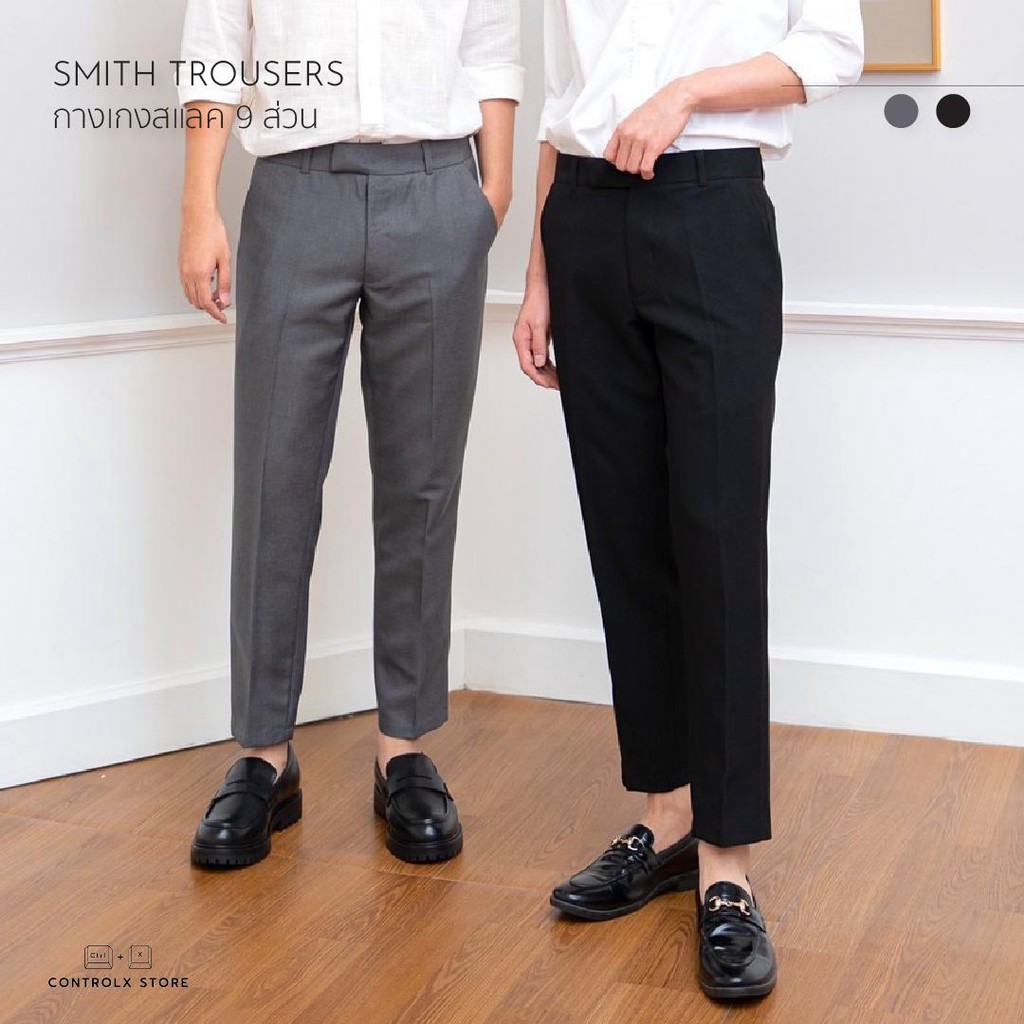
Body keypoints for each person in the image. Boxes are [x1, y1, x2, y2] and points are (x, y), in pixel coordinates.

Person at [513, 0, 863, 1000]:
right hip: (582, 218)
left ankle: (726, 862)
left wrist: (688, 93)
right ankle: (665, 815)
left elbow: (832, 49)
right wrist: (538, 273)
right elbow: (563, 100)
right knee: (624, 534)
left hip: (711, 209)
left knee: (715, 537)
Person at [176, 0, 523, 868]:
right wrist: (199, 206)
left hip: (439, 189)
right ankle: (264, 755)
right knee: (275, 478)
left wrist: (493, 193)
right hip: (294, 190)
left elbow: (493, 50)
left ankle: (404, 747)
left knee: (422, 484)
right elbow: (215, 46)